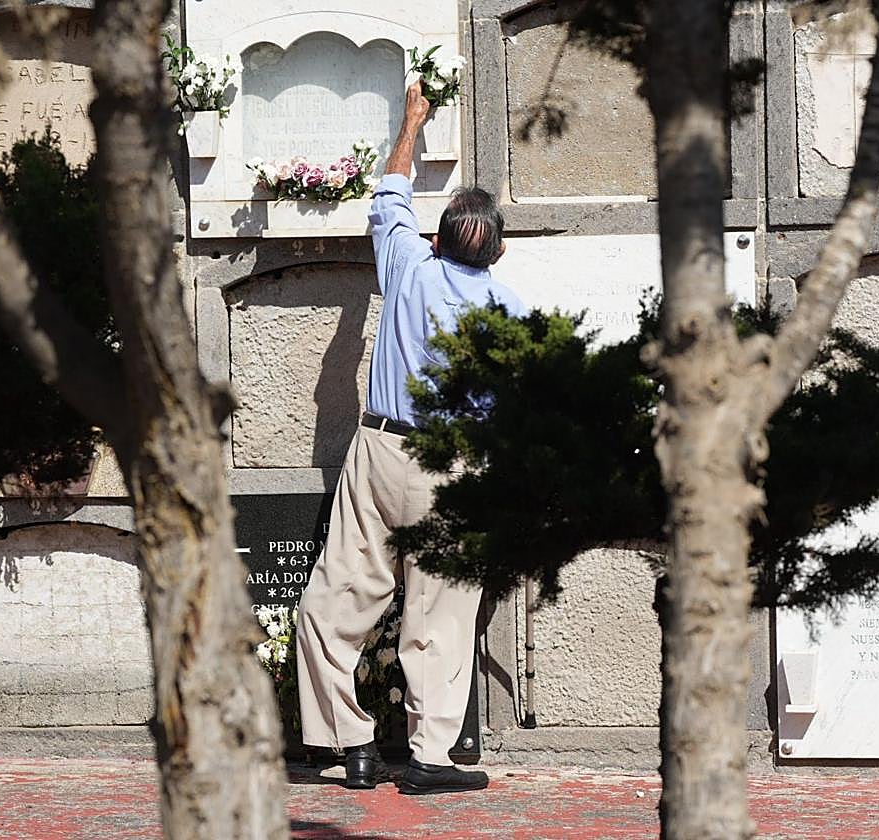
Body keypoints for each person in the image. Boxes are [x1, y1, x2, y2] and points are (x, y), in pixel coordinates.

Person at [295, 81, 525, 795]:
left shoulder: (408, 269)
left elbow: (389, 193)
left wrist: (412, 123)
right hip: (454, 464)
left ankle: (350, 742)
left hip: (381, 450)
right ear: (495, 255)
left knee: (333, 601)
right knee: (442, 618)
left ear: (438, 238)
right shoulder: (509, 309)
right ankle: (426, 758)